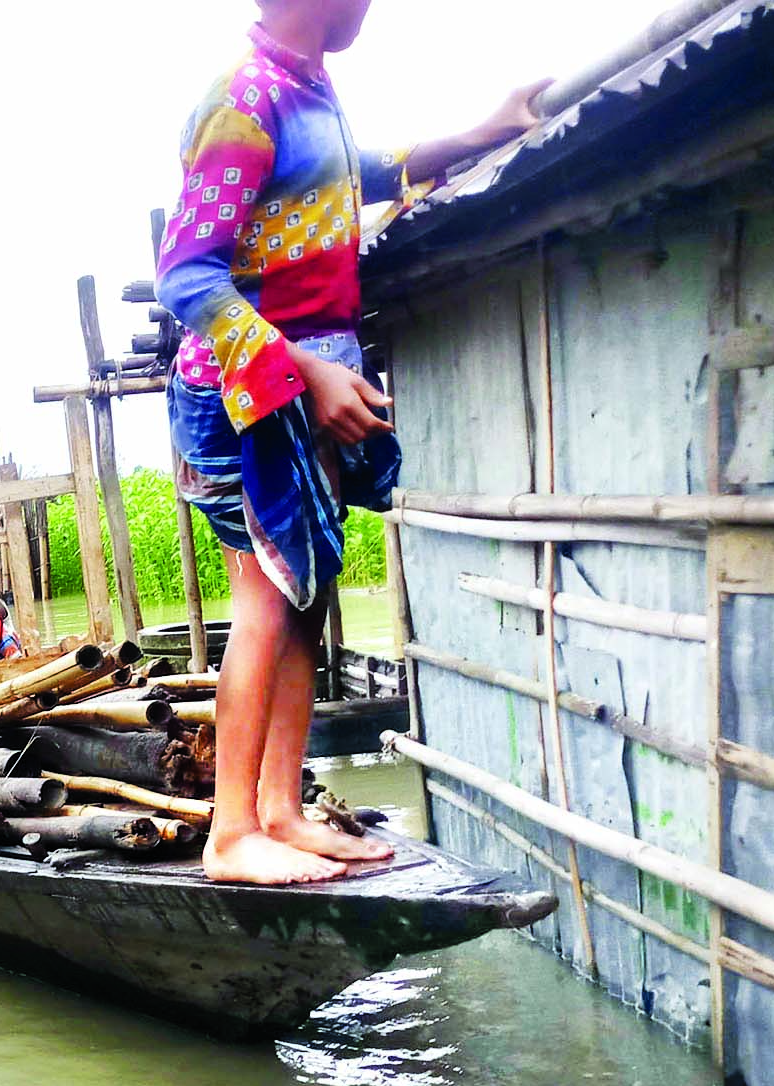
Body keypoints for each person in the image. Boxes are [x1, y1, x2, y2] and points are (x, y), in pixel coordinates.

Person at [155, 0, 546, 883]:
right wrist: (306, 368)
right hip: (242, 395)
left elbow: (353, 175)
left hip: (299, 389)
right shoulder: (242, 100)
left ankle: (282, 809)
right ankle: (231, 832)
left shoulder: (308, 89)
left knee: (303, 597)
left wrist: (476, 133)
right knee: (263, 600)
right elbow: (186, 271)